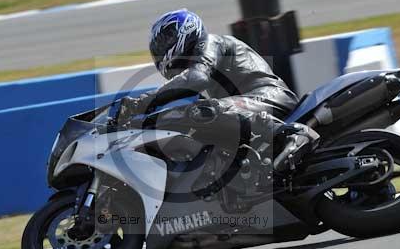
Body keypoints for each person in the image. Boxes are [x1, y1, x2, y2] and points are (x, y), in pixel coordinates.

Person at [121, 9, 319, 173]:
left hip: (270, 96)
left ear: (184, 31)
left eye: (165, 41)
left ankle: (292, 133)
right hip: (246, 108)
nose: (160, 49)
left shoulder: (210, 44)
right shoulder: (199, 67)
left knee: (203, 111)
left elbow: (196, 78)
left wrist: (145, 101)